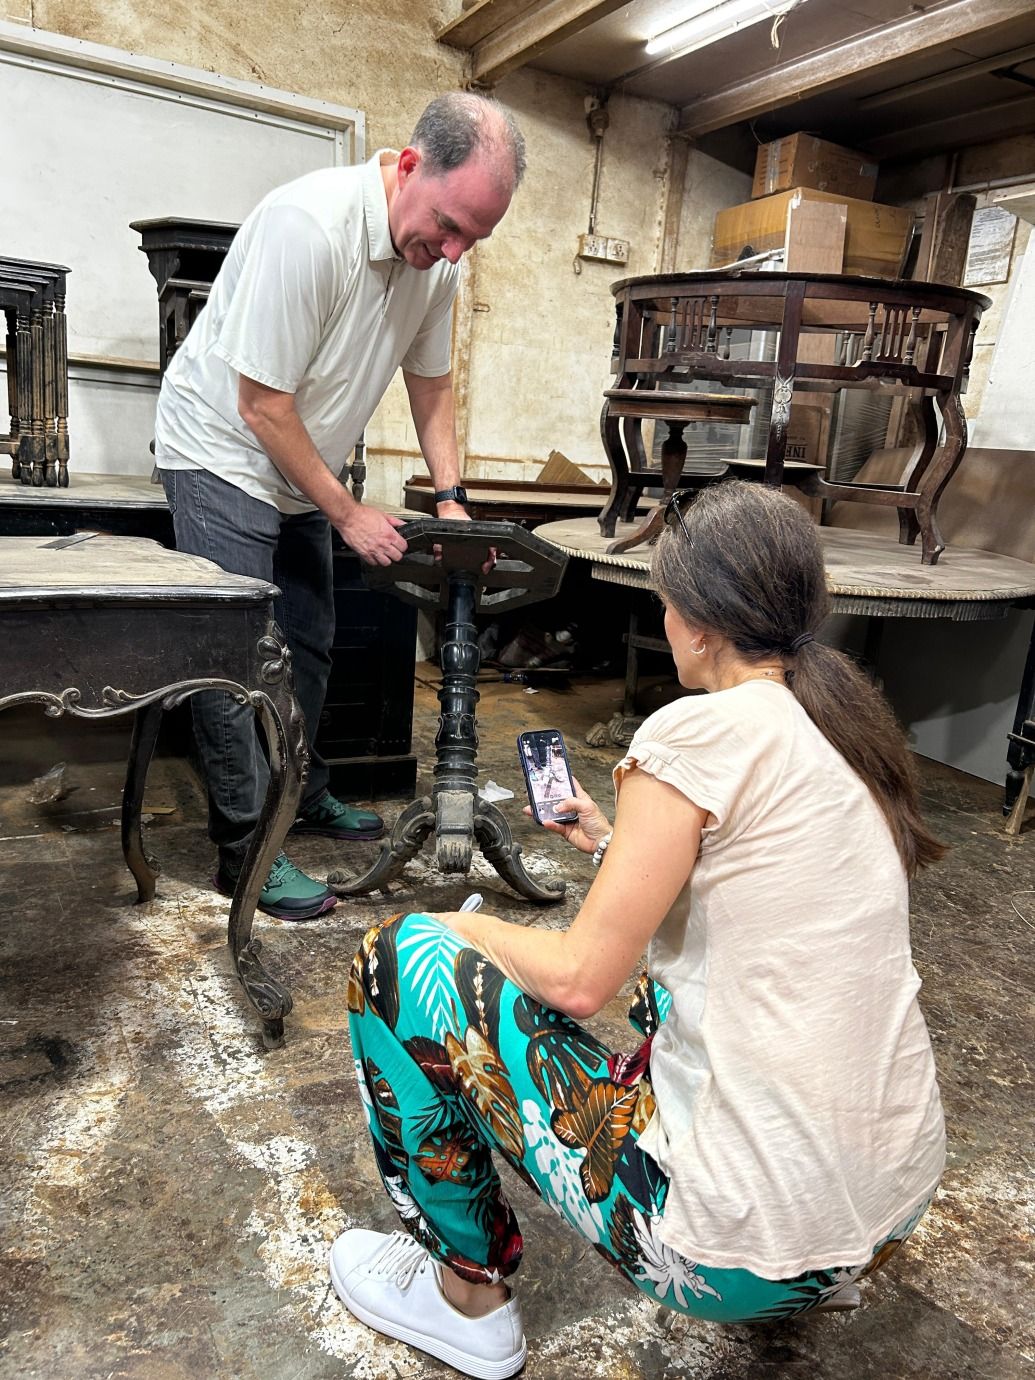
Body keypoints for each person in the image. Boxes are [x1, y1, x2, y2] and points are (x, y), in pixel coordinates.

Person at [331, 481, 947, 1379]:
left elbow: (584, 981)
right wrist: (614, 845)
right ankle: (818, 1263)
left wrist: (443, 927)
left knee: (397, 959)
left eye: (663, 600)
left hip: (734, 1263)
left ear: (697, 621)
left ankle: (466, 1300)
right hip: (880, 1213)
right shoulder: (844, 730)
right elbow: (764, 903)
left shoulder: (698, 731)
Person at [154, 93, 525, 920]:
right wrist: (350, 514)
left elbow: (430, 388)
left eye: (474, 238)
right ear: (407, 165)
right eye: (449, 223)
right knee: (238, 658)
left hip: (296, 459)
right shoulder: (307, 228)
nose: (454, 249)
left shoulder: (438, 262)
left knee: (312, 643)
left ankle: (300, 789)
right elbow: (261, 405)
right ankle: (246, 850)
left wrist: (454, 501)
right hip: (220, 450)